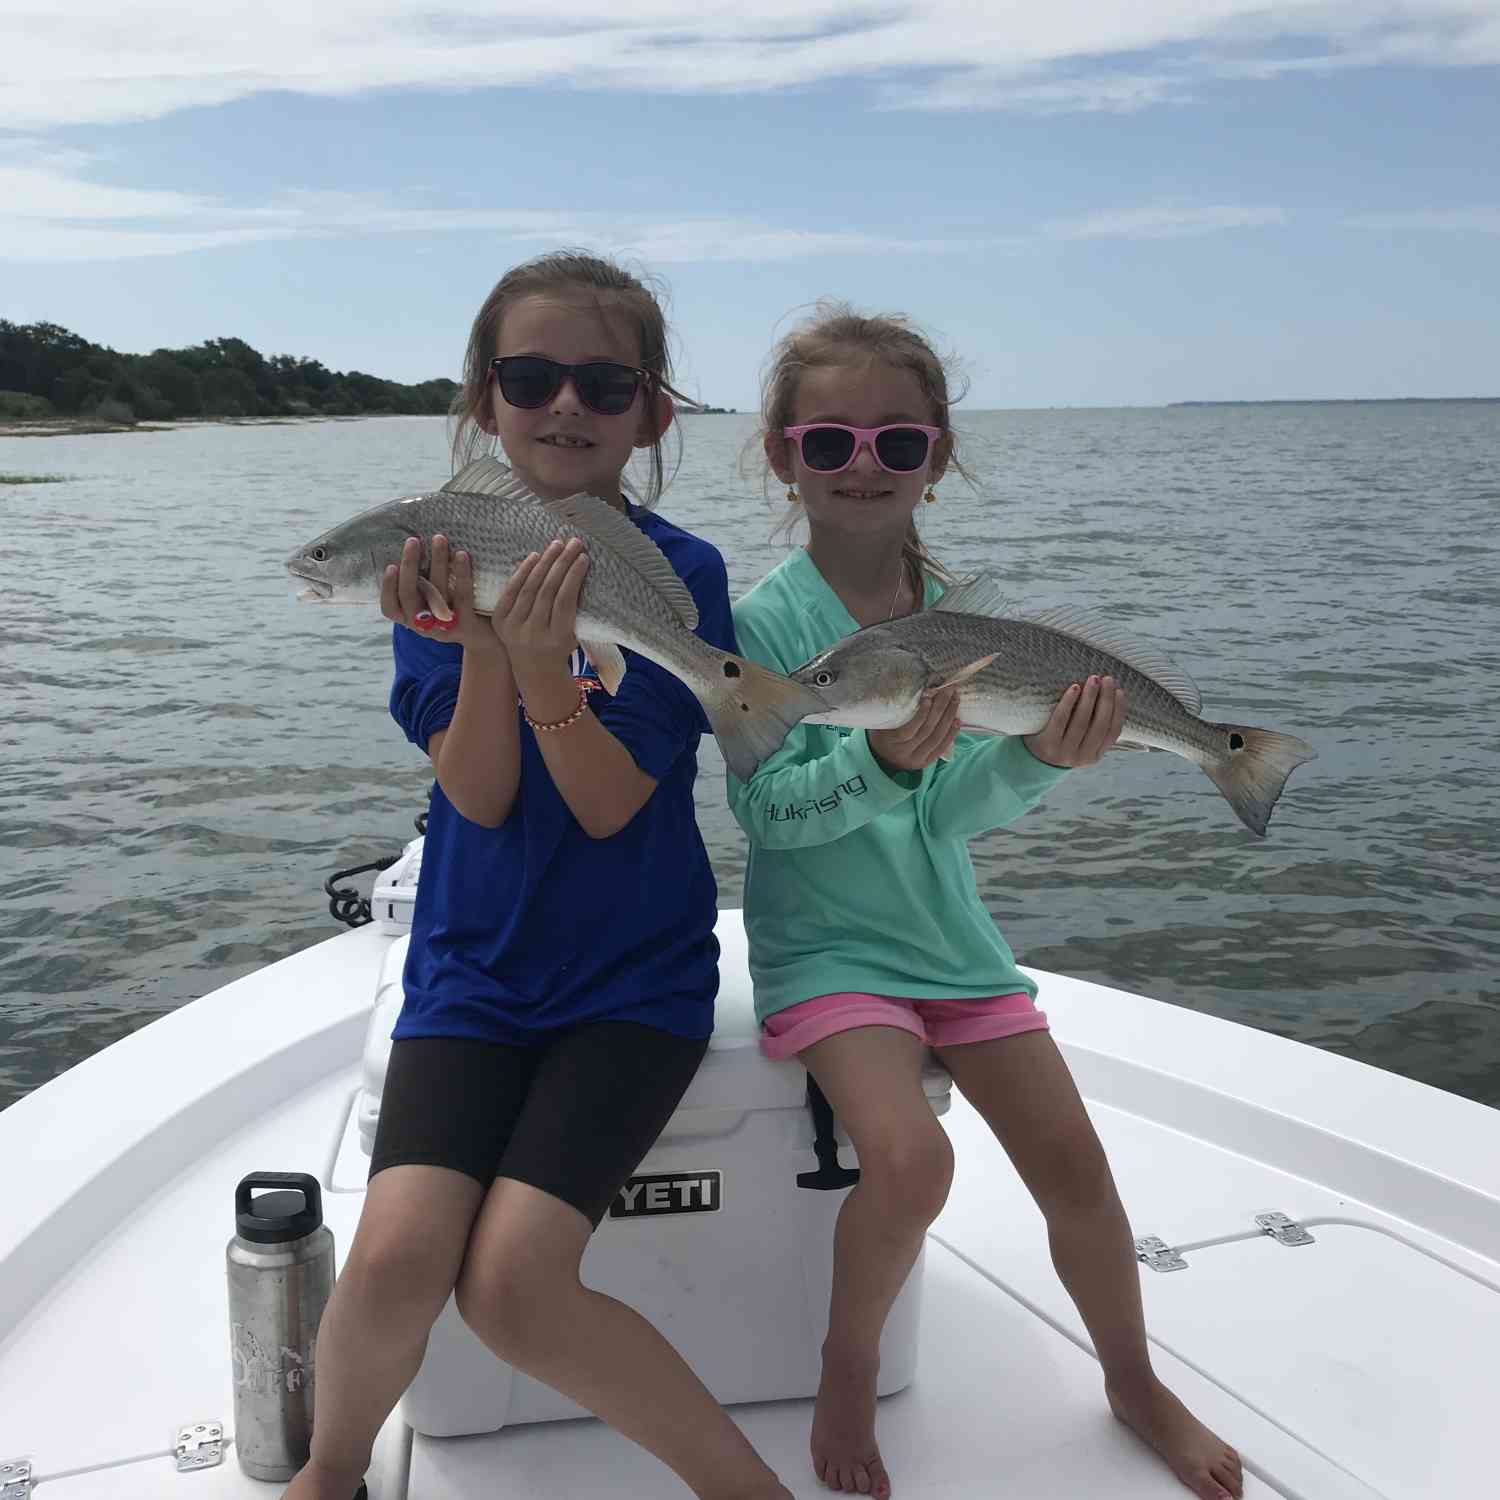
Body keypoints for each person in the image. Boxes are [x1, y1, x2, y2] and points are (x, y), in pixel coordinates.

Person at [283, 251, 792, 1500]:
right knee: (398, 1258)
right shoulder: (437, 570)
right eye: (530, 377)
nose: (565, 405)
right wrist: (494, 648)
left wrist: (555, 659)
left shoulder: (687, 574)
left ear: (651, 410)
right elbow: (481, 795)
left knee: (511, 1285)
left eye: (603, 382)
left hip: (631, 977)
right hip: (471, 967)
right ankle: (327, 1478)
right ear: (484, 396)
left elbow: (613, 808)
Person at [726, 303, 1244, 1500]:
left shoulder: (968, 621)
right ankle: (847, 1362)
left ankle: (1132, 1378)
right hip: (828, 953)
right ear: (782, 455)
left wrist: (1042, 759)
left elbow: (952, 818)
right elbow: (768, 817)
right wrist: (882, 758)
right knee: (908, 1161)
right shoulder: (762, 626)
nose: (864, 466)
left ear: (937, 458)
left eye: (897, 443)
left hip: (955, 947)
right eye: (830, 442)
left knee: (1079, 1170)